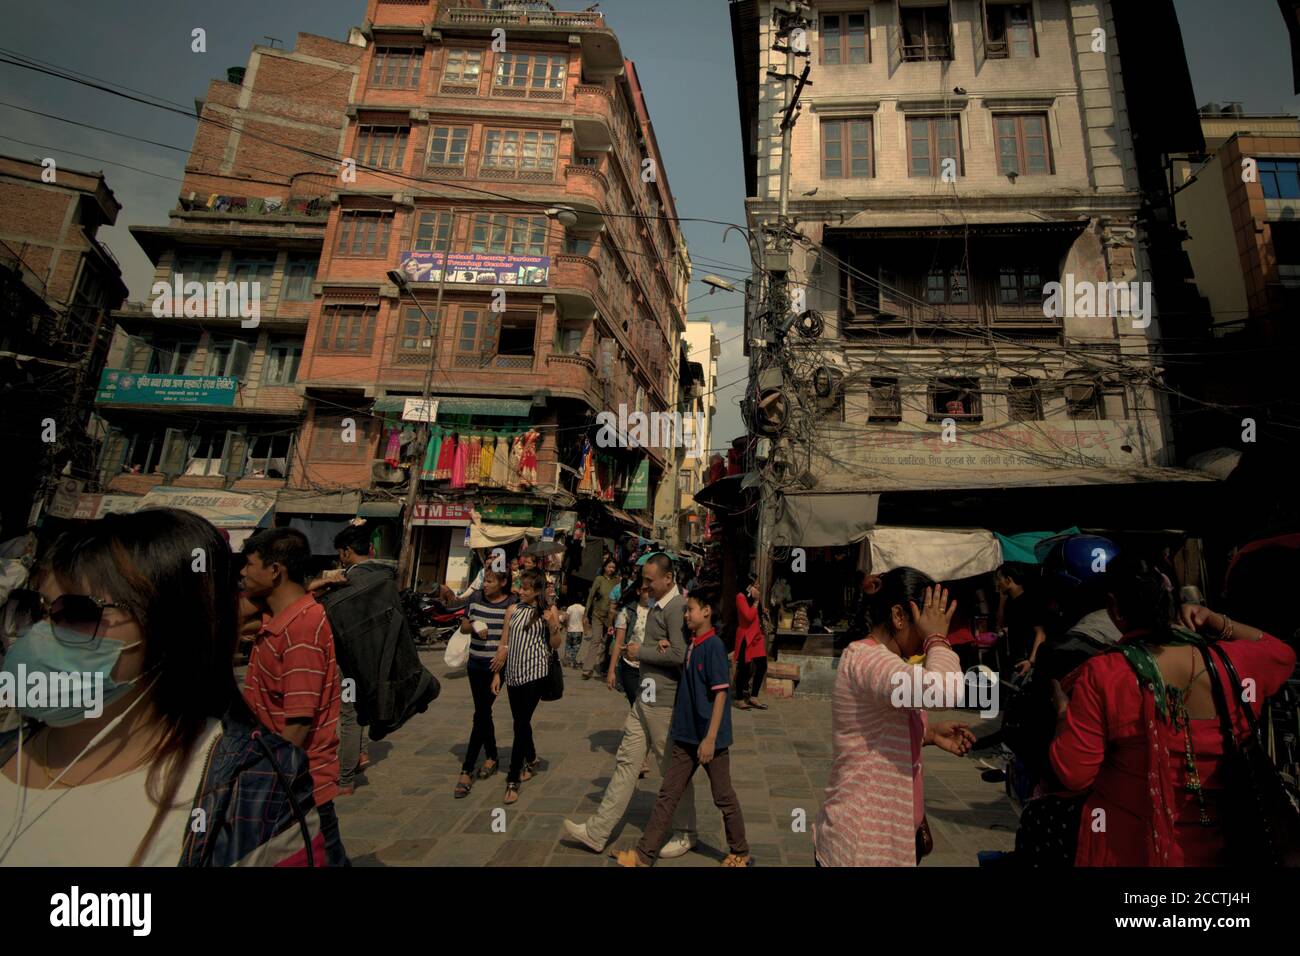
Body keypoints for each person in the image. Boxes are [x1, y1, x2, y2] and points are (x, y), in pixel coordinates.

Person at [0, 509, 323, 866]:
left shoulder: (252, 790)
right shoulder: (10, 747)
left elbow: (301, 712)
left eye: (76, 612)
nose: (43, 633)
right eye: (33, 608)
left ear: (172, 628)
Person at [1048, 557, 1296, 866]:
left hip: (1129, 850)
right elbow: (1282, 654)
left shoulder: (1105, 672)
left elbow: (1074, 773)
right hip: (1229, 848)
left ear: (1113, 606)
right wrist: (1218, 621)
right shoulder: (1229, 662)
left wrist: (1062, 715)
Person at [813, 569, 975, 867]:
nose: (927, 635)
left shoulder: (888, 662)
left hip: (885, 841)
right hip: (862, 846)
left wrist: (929, 733)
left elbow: (877, 732)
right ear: (899, 616)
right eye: (924, 625)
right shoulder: (868, 659)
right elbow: (946, 691)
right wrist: (937, 639)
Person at [563, 553, 697, 857]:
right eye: (644, 580)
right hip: (644, 699)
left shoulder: (676, 609)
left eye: (650, 581)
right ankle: (598, 832)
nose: (645, 586)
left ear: (668, 578)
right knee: (626, 762)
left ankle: (687, 830)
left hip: (664, 702)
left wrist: (642, 652)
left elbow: (679, 654)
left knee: (672, 769)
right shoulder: (656, 605)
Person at [613, 587, 750, 867]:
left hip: (711, 738)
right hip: (685, 734)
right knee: (668, 795)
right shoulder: (692, 644)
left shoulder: (713, 647)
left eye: (691, 609)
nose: (686, 614)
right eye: (686, 609)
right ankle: (643, 854)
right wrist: (664, 647)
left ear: (707, 612)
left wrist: (711, 738)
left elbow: (722, 694)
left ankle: (741, 852)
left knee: (723, 796)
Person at [240, 527, 348, 867]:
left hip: (299, 783)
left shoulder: (302, 628)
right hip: (283, 777)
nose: (242, 572)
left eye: (250, 565)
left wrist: (267, 788)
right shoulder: (276, 616)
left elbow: (298, 724)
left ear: (275, 571)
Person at [308, 524, 377, 795]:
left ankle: (346, 779)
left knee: (348, 717)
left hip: (347, 661)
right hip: (370, 657)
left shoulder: (345, 583)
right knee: (358, 712)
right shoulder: (380, 578)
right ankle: (360, 755)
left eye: (340, 553)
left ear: (347, 552)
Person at [438, 570, 515, 798]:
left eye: (490, 581)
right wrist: (474, 627)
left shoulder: (512, 604)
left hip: (496, 668)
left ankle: (466, 769)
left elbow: (511, 636)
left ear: (503, 582)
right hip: (475, 664)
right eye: (485, 580)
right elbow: (463, 626)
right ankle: (491, 756)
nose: (485, 585)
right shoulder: (475, 599)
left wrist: (503, 658)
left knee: (480, 714)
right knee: (483, 712)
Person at [498, 568, 564, 805]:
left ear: (536, 591)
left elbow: (555, 644)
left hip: (535, 674)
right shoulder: (512, 610)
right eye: (521, 586)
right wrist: (498, 673)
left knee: (520, 724)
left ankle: (512, 779)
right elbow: (504, 642)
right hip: (513, 674)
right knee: (520, 722)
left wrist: (552, 625)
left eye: (526, 588)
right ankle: (532, 756)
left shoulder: (548, 611)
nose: (521, 591)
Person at [996, 563, 1051, 677]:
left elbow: (1041, 633)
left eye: (999, 579)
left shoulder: (1029, 601)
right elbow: (1000, 625)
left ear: (1008, 580)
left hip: (1027, 661)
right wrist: (1002, 600)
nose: (997, 584)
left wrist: (1031, 661)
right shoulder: (1010, 602)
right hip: (1015, 659)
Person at [580, 558, 619, 680]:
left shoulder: (616, 581)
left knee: (607, 643)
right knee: (595, 640)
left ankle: (603, 667)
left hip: (611, 618)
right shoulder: (599, 579)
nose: (611, 569)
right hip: (597, 615)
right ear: (604, 567)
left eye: (613, 567)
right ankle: (587, 669)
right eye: (609, 567)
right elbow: (591, 597)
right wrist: (585, 614)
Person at [734, 577, 768, 710]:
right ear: (748, 586)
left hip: (757, 637)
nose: (758, 586)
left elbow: (756, 615)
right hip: (746, 637)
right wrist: (756, 601)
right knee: (744, 668)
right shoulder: (741, 597)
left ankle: (754, 696)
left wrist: (762, 610)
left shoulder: (754, 598)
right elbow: (748, 616)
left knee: (762, 665)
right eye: (755, 584)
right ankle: (739, 698)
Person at [564, 596, 586, 669]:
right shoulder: (583, 609)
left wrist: (566, 626)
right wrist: (586, 630)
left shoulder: (570, 608)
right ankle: (573, 661)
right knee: (576, 646)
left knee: (568, 645)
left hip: (570, 630)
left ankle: (567, 661)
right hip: (579, 630)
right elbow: (584, 621)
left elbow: (566, 618)